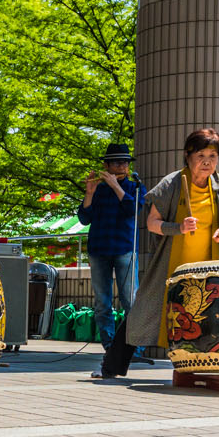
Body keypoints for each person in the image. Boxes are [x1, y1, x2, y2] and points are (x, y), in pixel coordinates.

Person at [95, 128, 219, 379]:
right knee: (144, 310)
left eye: (213, 155)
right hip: (171, 264)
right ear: (188, 155)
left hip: (209, 266)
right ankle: (111, 368)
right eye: (201, 155)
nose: (207, 161)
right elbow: (152, 223)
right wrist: (178, 228)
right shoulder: (172, 183)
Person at [77, 141, 142, 348]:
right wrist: (89, 193)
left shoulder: (135, 187)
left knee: (130, 300)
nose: (122, 166)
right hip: (99, 249)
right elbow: (84, 218)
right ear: (107, 166)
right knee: (102, 303)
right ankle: (109, 346)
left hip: (125, 249)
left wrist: (115, 186)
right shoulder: (98, 189)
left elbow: (133, 209)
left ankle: (134, 348)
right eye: (116, 162)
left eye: (125, 162)